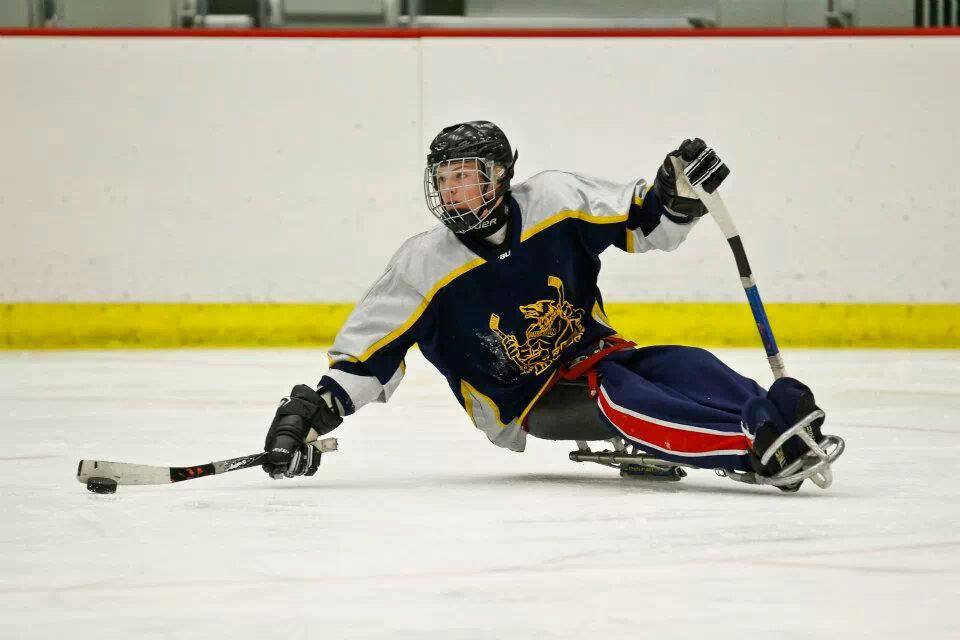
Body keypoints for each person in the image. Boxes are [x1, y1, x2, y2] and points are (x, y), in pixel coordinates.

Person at [261, 121, 832, 491]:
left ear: (502, 176)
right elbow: (367, 359)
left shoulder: (555, 201)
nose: (455, 192)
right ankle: (748, 450)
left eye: (468, 178)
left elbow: (642, 222)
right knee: (622, 396)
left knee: (686, 363)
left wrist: (676, 199)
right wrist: (312, 414)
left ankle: (776, 419)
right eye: (446, 180)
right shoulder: (422, 266)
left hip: (598, 354)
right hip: (527, 400)